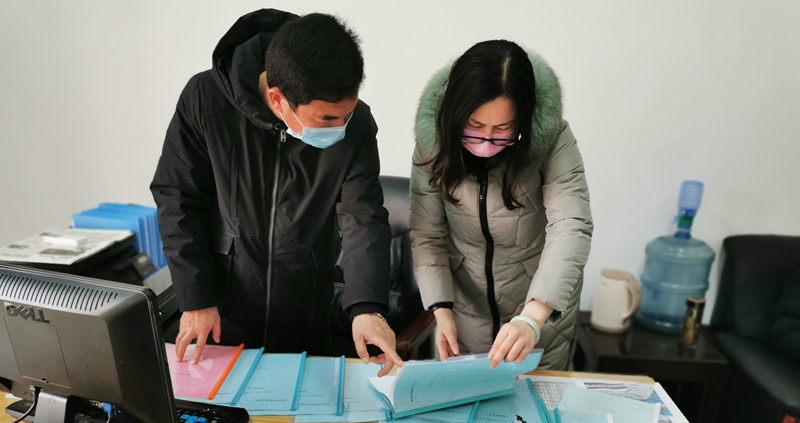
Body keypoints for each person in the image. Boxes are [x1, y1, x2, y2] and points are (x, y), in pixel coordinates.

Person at [152, 9, 401, 375]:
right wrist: (196, 296)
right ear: (278, 98)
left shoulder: (357, 125)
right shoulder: (206, 100)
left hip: (306, 313)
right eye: (327, 119)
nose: (341, 126)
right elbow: (177, 199)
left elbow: (363, 217)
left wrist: (367, 308)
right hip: (220, 312)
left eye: (347, 114)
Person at [410, 40, 592, 371]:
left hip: (538, 320)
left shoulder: (554, 140)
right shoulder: (433, 143)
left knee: (533, 403)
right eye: (474, 127)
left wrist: (532, 318)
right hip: (464, 317)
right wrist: (441, 309)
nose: (486, 141)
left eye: (503, 129)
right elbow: (427, 234)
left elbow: (571, 227)